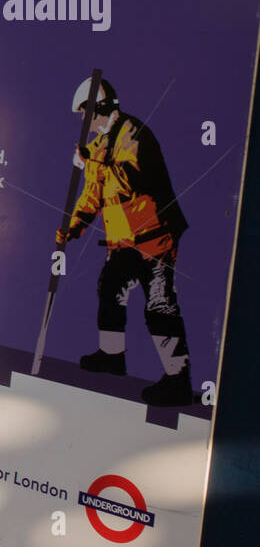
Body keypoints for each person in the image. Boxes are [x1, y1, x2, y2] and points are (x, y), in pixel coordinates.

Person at [57, 77, 192, 406]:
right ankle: (112, 356)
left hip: (153, 237)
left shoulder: (132, 133)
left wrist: (88, 164)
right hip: (123, 241)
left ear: (99, 109)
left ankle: (178, 379)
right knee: (109, 289)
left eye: (84, 114)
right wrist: (71, 229)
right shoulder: (101, 146)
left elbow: (125, 182)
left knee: (159, 305)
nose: (83, 123)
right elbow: (93, 196)